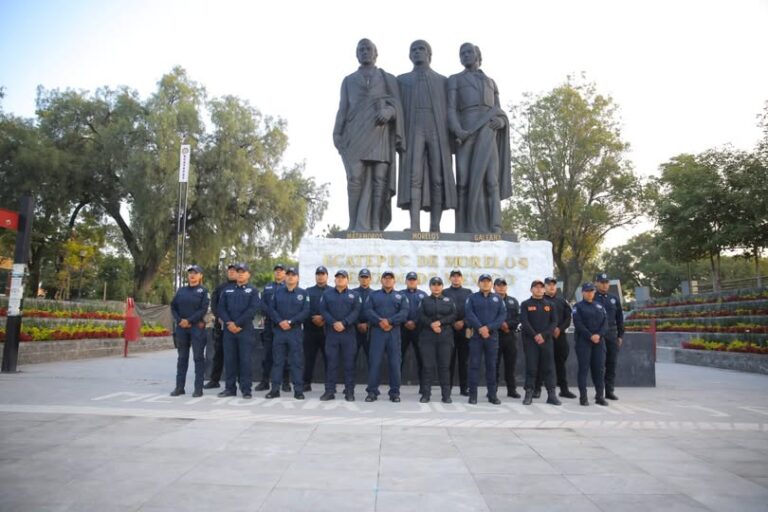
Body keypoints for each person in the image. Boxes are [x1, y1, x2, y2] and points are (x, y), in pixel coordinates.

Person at [333, 38, 404, 232]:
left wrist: (390, 112)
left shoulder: (387, 78)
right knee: (354, 179)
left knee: (379, 180)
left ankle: (375, 224)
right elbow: (343, 108)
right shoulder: (348, 80)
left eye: (368, 49)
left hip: (380, 133)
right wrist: (337, 133)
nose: (364, 52)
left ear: (375, 53)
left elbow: (397, 104)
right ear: (357, 54)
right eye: (361, 49)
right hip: (354, 133)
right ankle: (353, 223)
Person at [447, 43, 511, 233]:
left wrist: (500, 122)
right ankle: (463, 228)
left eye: (469, 52)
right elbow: (450, 109)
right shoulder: (455, 80)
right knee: (464, 182)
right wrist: (458, 130)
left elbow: (498, 110)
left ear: (478, 56)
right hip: (466, 134)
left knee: (491, 181)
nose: (465, 56)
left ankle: (496, 226)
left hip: (488, 133)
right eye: (462, 53)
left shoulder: (491, 82)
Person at [396, 39, 456, 232]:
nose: (417, 52)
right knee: (414, 176)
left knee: (438, 177)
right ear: (409, 55)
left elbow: (452, 109)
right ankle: (415, 226)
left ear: (429, 54)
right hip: (414, 129)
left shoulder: (443, 81)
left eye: (421, 49)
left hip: (437, 129)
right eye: (413, 49)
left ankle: (435, 225)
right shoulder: (402, 80)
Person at [364, 270, 409, 402]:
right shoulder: (373, 295)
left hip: (393, 332)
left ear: (394, 281)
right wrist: (380, 321)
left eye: (390, 278)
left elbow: (404, 312)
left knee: (395, 364)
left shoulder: (401, 296)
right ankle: (372, 392)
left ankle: (394, 393)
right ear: (381, 280)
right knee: (375, 363)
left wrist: (389, 321)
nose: (388, 280)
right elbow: (368, 311)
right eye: (385, 278)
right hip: (377, 332)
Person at [265, 267, 310, 400]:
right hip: (279, 331)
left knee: (296, 361)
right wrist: (280, 322)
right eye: (288, 275)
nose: (290, 277)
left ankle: (298, 390)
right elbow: (272, 309)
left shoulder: (303, 293)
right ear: (285, 277)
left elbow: (305, 311)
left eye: (293, 275)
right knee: (278, 361)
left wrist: (290, 322)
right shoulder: (277, 292)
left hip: (295, 331)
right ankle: (275, 390)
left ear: (298, 278)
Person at [218, 263, 260, 399]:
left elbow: (253, 309)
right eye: (238, 271)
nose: (240, 274)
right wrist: (229, 323)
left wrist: (238, 323)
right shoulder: (227, 290)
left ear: (248, 274)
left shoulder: (253, 291)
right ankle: (230, 389)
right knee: (230, 360)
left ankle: (246, 390)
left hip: (245, 330)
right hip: (229, 330)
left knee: (245, 361)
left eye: (243, 272)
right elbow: (221, 309)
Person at [319, 270, 361, 402]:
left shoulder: (355, 295)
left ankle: (349, 392)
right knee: (331, 363)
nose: (340, 279)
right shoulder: (327, 294)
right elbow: (323, 310)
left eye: (343, 277)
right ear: (334, 279)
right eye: (337, 277)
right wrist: (333, 323)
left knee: (349, 364)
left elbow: (356, 311)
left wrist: (344, 323)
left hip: (348, 333)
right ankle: (329, 391)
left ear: (347, 280)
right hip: (332, 333)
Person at [464, 273, 506, 405]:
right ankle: (473, 395)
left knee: (491, 367)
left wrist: (488, 328)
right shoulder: (471, 298)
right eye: (483, 281)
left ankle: (492, 395)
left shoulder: (498, 299)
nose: (485, 283)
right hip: (476, 336)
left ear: (491, 284)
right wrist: (481, 328)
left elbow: (502, 316)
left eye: (488, 281)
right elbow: (469, 314)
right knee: (474, 366)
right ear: (478, 283)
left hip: (492, 337)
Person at [170, 265, 210, 397]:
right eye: (190, 273)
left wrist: (189, 320)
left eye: (195, 273)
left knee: (198, 358)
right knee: (182, 358)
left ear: (200, 276)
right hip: (181, 328)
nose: (192, 275)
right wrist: (179, 320)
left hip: (196, 328)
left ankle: (198, 389)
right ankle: (179, 387)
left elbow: (203, 309)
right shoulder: (181, 291)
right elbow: (173, 307)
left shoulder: (203, 291)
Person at [533, 277, 575, 399]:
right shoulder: (540, 300)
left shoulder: (562, 301)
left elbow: (568, 318)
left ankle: (564, 389)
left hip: (560, 336)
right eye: (548, 284)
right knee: (541, 363)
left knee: (560, 363)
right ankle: (537, 389)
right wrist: (549, 331)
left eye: (553, 284)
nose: (551, 287)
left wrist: (559, 329)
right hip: (545, 337)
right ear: (544, 287)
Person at [520, 279, 560, 406]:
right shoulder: (525, 304)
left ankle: (551, 395)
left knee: (549, 368)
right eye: (535, 287)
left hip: (546, 341)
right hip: (531, 341)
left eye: (541, 287)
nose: (538, 289)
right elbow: (525, 322)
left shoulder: (550, 304)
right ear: (531, 289)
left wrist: (543, 335)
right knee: (531, 367)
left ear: (544, 289)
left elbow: (554, 322)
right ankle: (529, 394)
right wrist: (535, 335)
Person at [417, 276, 456, 403]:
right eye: (433, 284)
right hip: (428, 337)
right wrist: (431, 324)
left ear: (442, 286)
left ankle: (446, 395)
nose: (436, 286)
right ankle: (426, 395)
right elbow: (420, 316)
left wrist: (440, 322)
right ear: (430, 286)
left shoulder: (449, 300)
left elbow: (453, 315)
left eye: (439, 284)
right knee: (427, 367)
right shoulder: (424, 300)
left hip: (445, 337)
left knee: (444, 367)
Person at [572, 282, 608, 406]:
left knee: (599, 369)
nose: (589, 293)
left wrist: (599, 335)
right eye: (587, 291)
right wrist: (590, 335)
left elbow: (605, 323)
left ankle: (600, 396)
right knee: (583, 369)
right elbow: (578, 324)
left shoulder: (599, 306)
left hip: (599, 342)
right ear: (582, 292)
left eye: (592, 291)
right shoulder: (578, 306)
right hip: (584, 342)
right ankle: (583, 397)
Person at [256, 263, 290, 392]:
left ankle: (286, 383)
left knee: (285, 355)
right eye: (276, 271)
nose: (278, 273)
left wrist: (280, 319)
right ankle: (265, 381)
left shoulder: (290, 287)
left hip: (283, 325)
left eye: (281, 271)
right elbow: (262, 304)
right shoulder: (268, 287)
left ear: (285, 273)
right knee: (267, 355)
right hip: (270, 324)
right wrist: (273, 315)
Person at [204, 263, 237, 389]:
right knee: (219, 353)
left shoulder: (242, 287)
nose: (232, 272)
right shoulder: (220, 288)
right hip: (221, 325)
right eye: (230, 271)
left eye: (234, 270)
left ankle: (238, 381)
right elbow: (214, 304)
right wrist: (221, 318)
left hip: (238, 326)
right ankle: (214, 380)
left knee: (238, 355)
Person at [594, 273, 625, 400]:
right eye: (601, 282)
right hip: (597, 335)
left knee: (611, 363)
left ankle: (609, 391)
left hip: (612, 335)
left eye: (606, 282)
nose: (604, 284)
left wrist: (620, 335)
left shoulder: (614, 298)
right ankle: (599, 392)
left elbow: (620, 318)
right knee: (598, 364)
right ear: (596, 283)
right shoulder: (592, 297)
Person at [444, 269, 472, 396]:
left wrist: (463, 322)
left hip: (465, 330)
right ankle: (447, 388)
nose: (456, 279)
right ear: (450, 278)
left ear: (462, 278)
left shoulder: (468, 292)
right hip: (448, 330)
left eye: (458, 276)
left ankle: (464, 388)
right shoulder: (444, 292)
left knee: (464, 361)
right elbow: (441, 311)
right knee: (448, 361)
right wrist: (452, 323)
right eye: (453, 276)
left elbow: (472, 311)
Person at [493, 277, 521, 399]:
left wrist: (508, 325)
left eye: (503, 285)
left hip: (510, 336)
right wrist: (500, 324)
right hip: (495, 335)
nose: (501, 287)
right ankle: (492, 390)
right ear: (494, 287)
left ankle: (512, 390)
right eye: (498, 285)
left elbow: (518, 318)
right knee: (494, 365)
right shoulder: (490, 300)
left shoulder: (513, 301)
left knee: (511, 365)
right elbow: (487, 317)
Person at [400, 271, 427, 397]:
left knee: (421, 359)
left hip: (419, 330)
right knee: (398, 359)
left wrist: (415, 322)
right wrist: (405, 322)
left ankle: (423, 387)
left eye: (414, 279)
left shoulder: (423, 295)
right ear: (406, 281)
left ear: (417, 281)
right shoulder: (399, 295)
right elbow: (397, 311)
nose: (411, 281)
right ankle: (396, 386)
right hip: (402, 329)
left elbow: (425, 312)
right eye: (409, 279)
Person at [303, 266, 329, 392]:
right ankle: (306, 383)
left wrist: (323, 318)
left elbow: (334, 309)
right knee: (308, 359)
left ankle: (329, 385)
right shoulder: (308, 291)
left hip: (327, 331)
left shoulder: (332, 291)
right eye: (318, 274)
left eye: (322, 274)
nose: (320, 276)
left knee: (329, 360)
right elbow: (304, 308)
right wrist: (314, 318)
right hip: (310, 330)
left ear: (327, 276)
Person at [354, 268, 374, 364]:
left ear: (370, 279)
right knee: (351, 358)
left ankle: (372, 379)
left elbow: (377, 312)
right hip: (354, 329)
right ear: (358, 278)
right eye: (362, 277)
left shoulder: (375, 294)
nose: (364, 279)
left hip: (370, 330)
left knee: (371, 359)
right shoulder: (352, 293)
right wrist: (357, 323)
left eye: (366, 277)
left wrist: (368, 324)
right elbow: (350, 310)